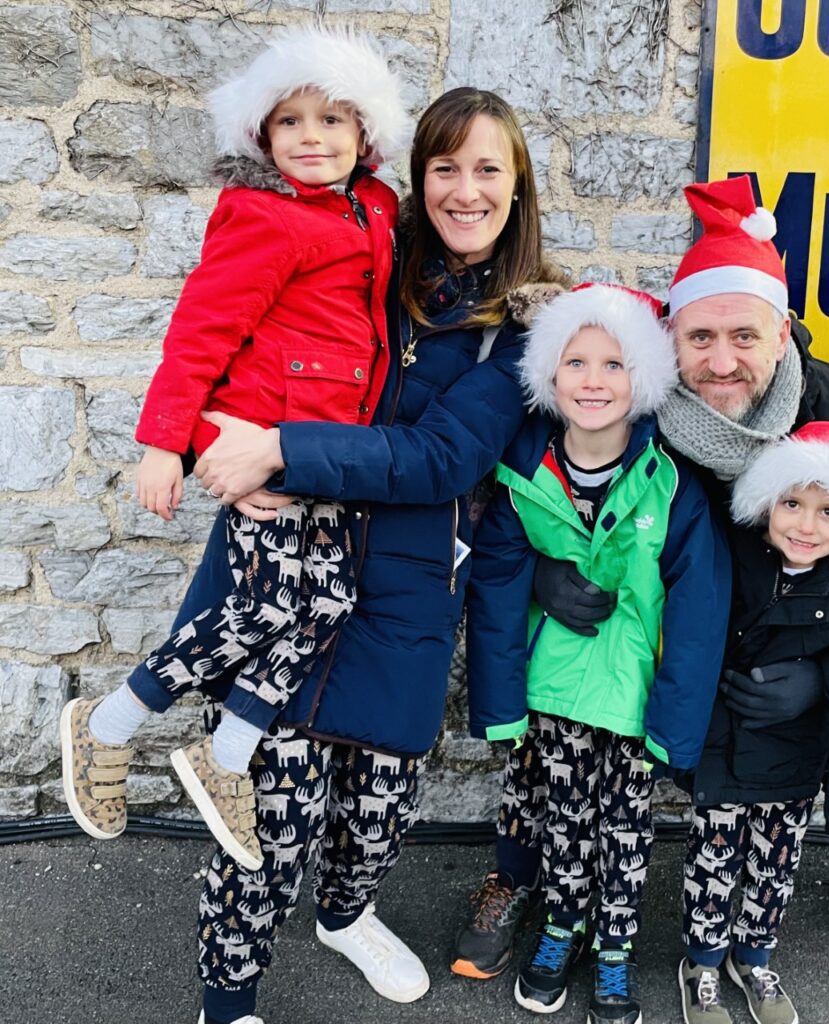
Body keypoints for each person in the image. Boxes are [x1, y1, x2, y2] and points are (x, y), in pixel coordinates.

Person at [127, 86, 565, 1024]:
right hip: (282, 571)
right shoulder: (353, 247)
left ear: (518, 182)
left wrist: (280, 447)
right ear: (417, 177)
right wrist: (208, 438)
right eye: (444, 167)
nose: (464, 190)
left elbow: (445, 457)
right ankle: (229, 995)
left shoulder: (527, 329)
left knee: (376, 809)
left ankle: (345, 913)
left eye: (488, 168)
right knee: (260, 823)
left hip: (404, 597)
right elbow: (229, 337)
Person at [454, 174, 829, 994]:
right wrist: (541, 575)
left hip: (792, 636)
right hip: (666, 632)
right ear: (671, 336)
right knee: (556, 739)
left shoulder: (827, 404)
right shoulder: (636, 394)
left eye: (745, 337)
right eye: (702, 337)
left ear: (780, 333)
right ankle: (519, 873)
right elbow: (541, 496)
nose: (722, 361)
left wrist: (822, 670)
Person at [60, 25, 407, 871]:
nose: (312, 138)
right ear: (263, 137)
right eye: (291, 123)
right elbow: (200, 333)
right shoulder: (262, 215)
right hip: (264, 448)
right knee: (261, 609)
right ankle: (108, 724)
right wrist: (169, 444)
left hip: (329, 451)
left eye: (332, 120)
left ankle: (223, 763)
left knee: (324, 606)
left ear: (366, 135)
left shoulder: (379, 207)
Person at [463, 284, 731, 1024]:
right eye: (574, 362)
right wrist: (501, 703)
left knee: (625, 828)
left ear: (640, 378)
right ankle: (561, 926)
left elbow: (699, 606)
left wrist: (674, 723)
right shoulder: (523, 474)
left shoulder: (671, 481)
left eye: (613, 365)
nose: (592, 381)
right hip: (556, 690)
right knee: (563, 818)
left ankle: (615, 945)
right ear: (548, 376)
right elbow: (497, 586)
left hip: (633, 695)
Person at [677, 419, 829, 1024]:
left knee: (773, 867)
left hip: (793, 762)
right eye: (791, 503)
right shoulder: (730, 557)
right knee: (713, 860)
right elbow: (684, 638)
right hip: (723, 750)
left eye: (828, 511)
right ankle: (703, 963)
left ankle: (753, 958)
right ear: (766, 502)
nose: (806, 526)